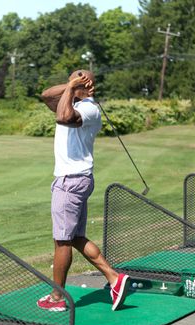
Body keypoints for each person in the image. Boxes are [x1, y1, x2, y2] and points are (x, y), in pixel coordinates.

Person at [37, 69, 130, 312]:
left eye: (76, 79)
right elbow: (46, 96)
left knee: (63, 241)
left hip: (71, 181)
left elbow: (63, 118)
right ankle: (114, 278)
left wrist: (74, 88)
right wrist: (71, 85)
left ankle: (57, 298)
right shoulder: (70, 98)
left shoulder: (89, 109)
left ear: (87, 85)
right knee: (76, 237)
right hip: (75, 180)